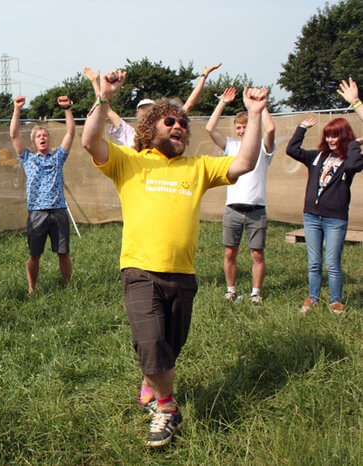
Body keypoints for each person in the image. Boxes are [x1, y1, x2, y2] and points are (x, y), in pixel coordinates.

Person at [81, 69, 268, 447]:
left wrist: (257, 113)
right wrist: (104, 98)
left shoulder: (197, 167)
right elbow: (89, 141)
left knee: (169, 346)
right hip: (139, 269)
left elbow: (244, 163)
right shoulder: (128, 162)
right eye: (171, 121)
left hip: (183, 274)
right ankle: (168, 409)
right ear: (151, 128)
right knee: (150, 343)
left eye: (184, 122)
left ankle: (151, 387)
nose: (179, 126)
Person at [285, 110, 362, 315]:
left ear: (344, 136)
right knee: (314, 262)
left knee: (332, 264)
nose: (330, 140)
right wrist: (301, 128)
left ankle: (336, 302)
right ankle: (313, 298)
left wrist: (354, 144)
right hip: (311, 217)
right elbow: (292, 149)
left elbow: (356, 164)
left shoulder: (349, 160)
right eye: (328, 135)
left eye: (335, 135)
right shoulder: (317, 156)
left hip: (335, 220)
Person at [206, 87, 276, 305]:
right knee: (229, 253)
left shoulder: (263, 148)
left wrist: (260, 106)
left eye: (245, 127)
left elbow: (271, 129)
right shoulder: (231, 146)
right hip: (233, 209)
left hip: (256, 210)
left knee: (257, 255)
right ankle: (231, 290)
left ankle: (255, 294)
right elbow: (210, 128)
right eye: (238, 127)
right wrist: (223, 103)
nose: (242, 131)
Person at [9, 94, 75, 294]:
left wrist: (67, 108)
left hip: (59, 211)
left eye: (45, 135)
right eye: (38, 136)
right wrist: (17, 109)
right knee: (34, 254)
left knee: (63, 252)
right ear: (34, 142)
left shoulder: (58, 156)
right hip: (37, 212)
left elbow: (71, 133)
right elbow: (13, 135)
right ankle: (32, 289)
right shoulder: (27, 157)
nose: (43, 138)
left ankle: (69, 286)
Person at [83, 63, 222, 148]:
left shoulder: (168, 129)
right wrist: (96, 82)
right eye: (142, 110)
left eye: (149, 109)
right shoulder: (130, 134)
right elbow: (105, 106)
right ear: (137, 114)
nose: (145, 112)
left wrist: (203, 76)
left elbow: (189, 104)